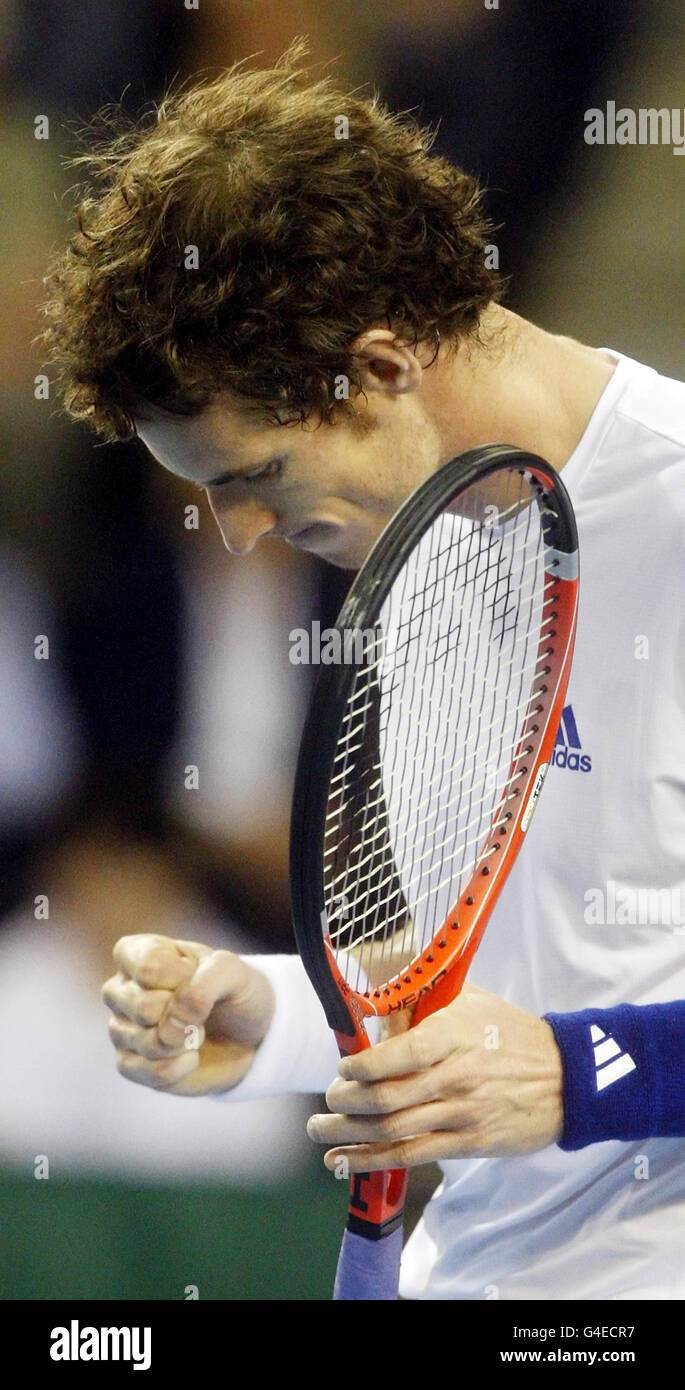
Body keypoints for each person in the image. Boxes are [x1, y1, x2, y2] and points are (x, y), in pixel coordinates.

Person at [40, 41, 685, 1299]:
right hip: (486, 1272)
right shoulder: (422, 546)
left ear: (383, 366)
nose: (237, 534)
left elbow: (565, 1038)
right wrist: (275, 1020)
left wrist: (581, 1071)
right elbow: (515, 965)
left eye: (255, 477)